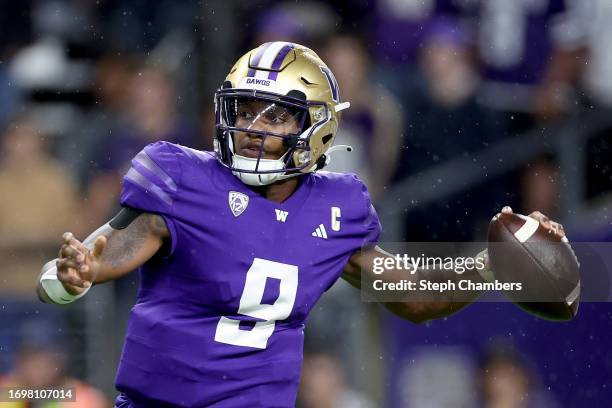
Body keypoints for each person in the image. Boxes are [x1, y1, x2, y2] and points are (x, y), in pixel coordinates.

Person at [36, 42, 565, 407]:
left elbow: (414, 296)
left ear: (315, 128)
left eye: (274, 115)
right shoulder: (181, 176)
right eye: (244, 110)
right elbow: (109, 250)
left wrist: (492, 265)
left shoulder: (338, 207)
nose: (251, 127)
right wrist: (70, 277)